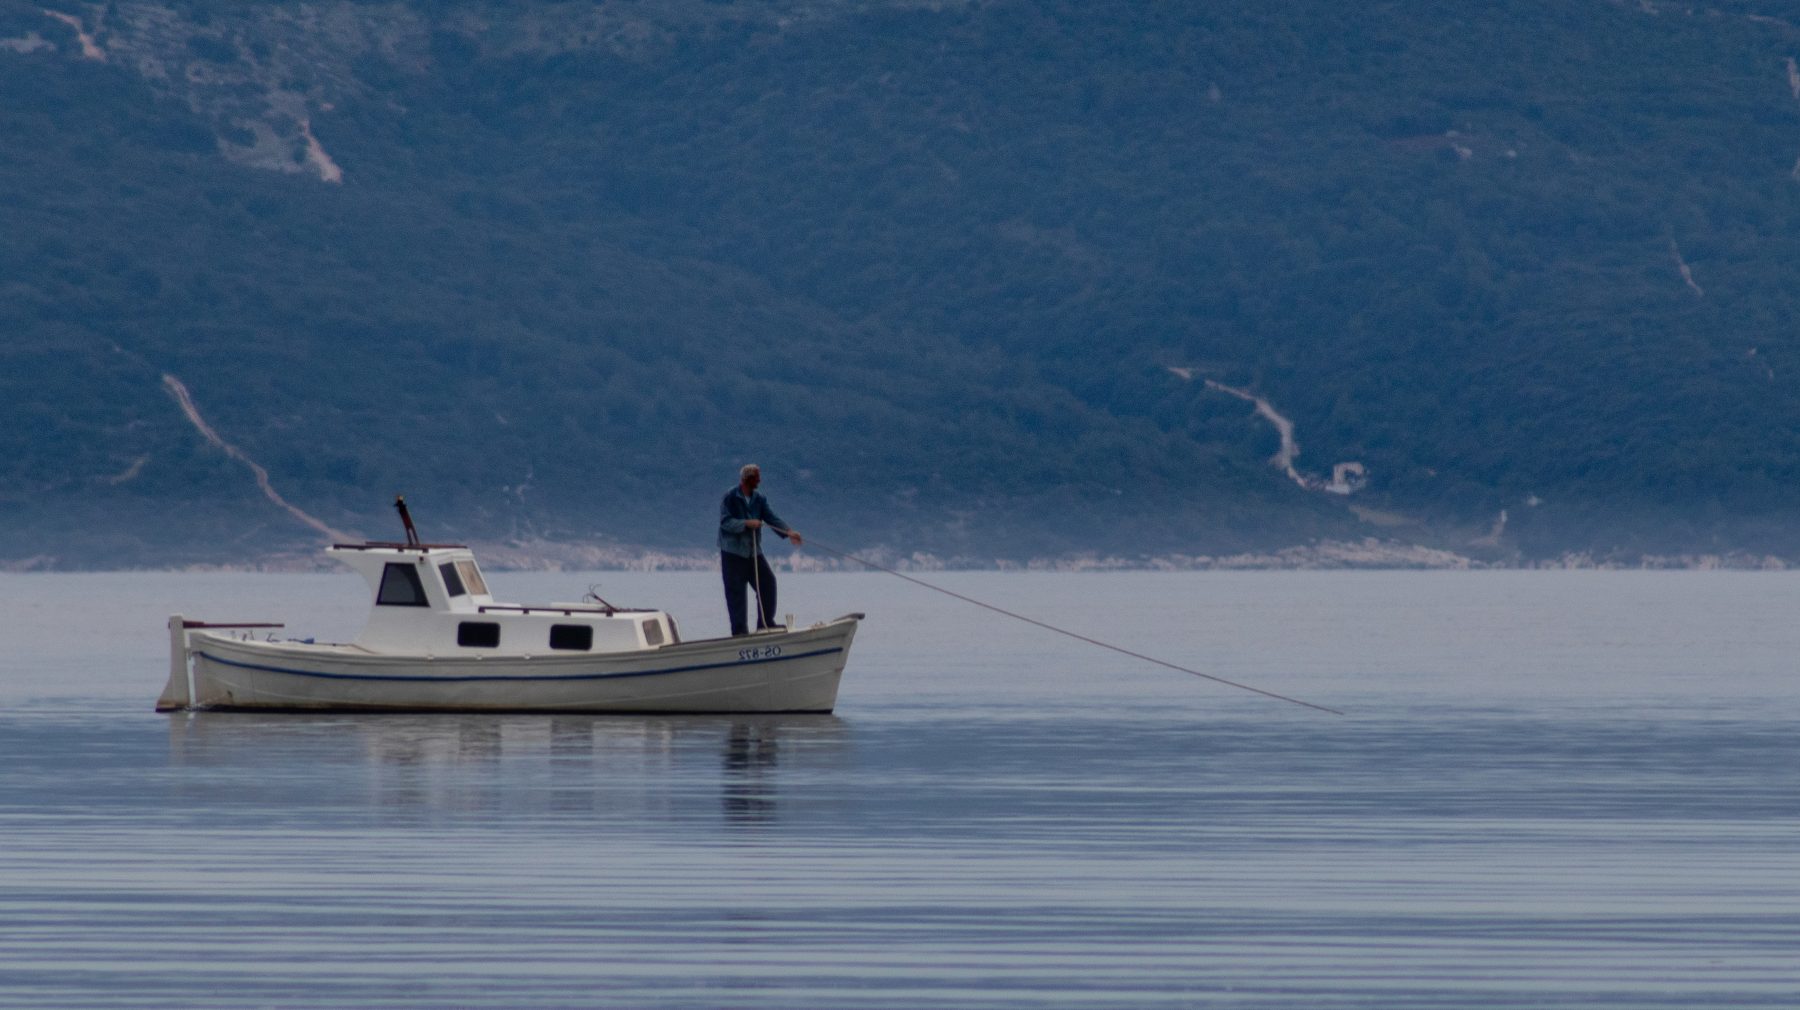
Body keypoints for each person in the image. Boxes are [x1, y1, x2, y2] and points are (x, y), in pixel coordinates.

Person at [718, 464, 802, 636]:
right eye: (756, 477)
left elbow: (771, 518)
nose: (759, 480)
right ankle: (740, 632)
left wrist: (789, 532)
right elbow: (725, 523)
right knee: (737, 594)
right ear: (747, 479)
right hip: (733, 554)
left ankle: (765, 623)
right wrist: (746, 524)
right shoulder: (730, 497)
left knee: (768, 583)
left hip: (753, 552)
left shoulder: (759, 499)